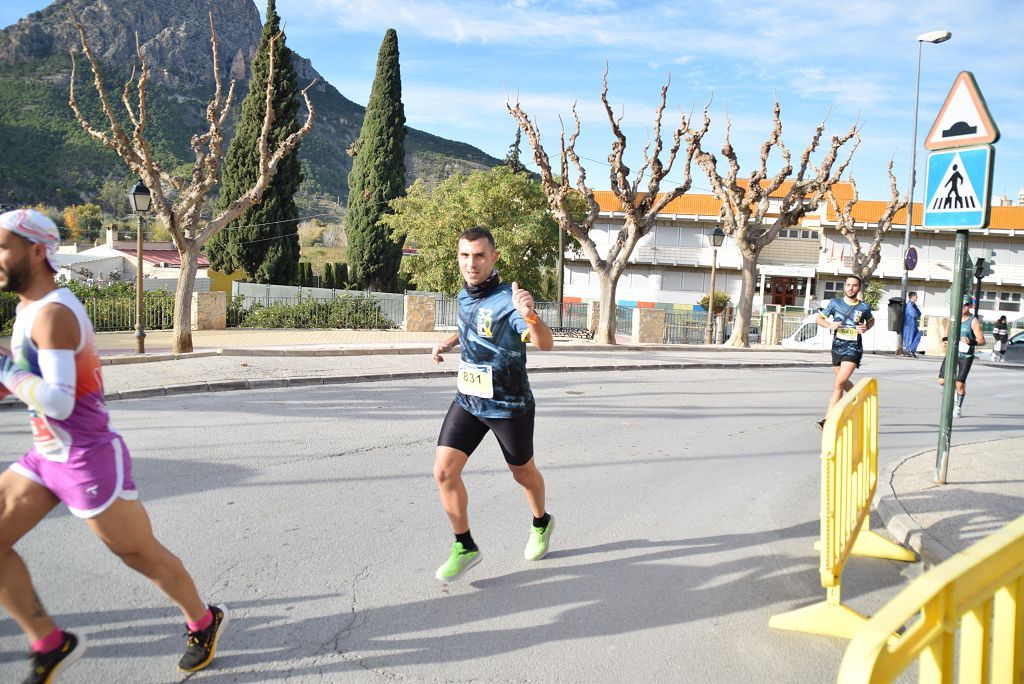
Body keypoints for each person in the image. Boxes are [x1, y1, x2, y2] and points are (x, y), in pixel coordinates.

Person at [0, 209, 227, 682]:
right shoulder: (28, 309)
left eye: (3, 248)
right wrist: (11, 379)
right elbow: (32, 382)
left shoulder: (55, 315)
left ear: (37, 252)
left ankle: (204, 621)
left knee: (137, 553)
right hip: (46, 456)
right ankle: (49, 642)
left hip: (87, 459)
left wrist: (8, 373)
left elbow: (60, 401)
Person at [430, 226, 555, 583]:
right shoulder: (464, 293)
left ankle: (541, 522)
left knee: (523, 473)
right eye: (465, 255)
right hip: (469, 400)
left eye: (480, 255)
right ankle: (465, 545)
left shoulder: (508, 301)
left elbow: (544, 343)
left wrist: (530, 315)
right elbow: (472, 324)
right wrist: (449, 342)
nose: (472, 263)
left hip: (508, 405)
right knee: (444, 472)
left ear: (494, 257)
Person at [815, 275, 874, 429]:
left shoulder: (864, 307)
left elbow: (871, 320)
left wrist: (865, 328)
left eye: (854, 285)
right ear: (845, 287)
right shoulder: (835, 303)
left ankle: (828, 420)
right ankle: (859, 397)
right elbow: (819, 319)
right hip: (837, 347)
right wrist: (830, 325)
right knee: (841, 383)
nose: (851, 288)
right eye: (848, 285)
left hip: (853, 348)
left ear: (859, 288)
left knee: (838, 383)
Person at [938, 295, 986, 417]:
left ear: (970, 306)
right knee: (942, 381)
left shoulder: (973, 320)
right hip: (952, 353)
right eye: (961, 304)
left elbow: (982, 340)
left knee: (960, 383)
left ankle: (958, 406)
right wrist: (944, 341)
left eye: (966, 305)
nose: (963, 307)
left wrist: (971, 341)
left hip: (966, 355)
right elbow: (946, 334)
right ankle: (955, 392)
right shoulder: (952, 318)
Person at [902, 291, 922, 357]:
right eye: (916, 296)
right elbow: (914, 314)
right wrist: (917, 313)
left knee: (918, 336)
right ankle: (909, 351)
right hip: (909, 324)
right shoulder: (909, 305)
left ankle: (911, 350)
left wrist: (916, 312)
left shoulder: (913, 305)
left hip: (914, 324)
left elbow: (919, 313)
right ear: (912, 297)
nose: (917, 297)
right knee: (909, 339)